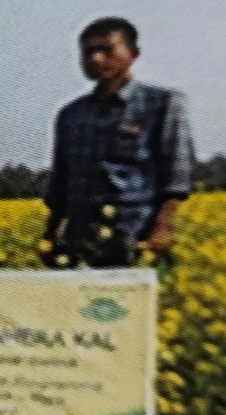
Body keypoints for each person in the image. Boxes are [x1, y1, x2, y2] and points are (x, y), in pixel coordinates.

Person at [41, 17, 195, 268]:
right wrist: (50, 234)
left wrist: (163, 228)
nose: (96, 59)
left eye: (106, 50)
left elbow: (177, 174)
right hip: (79, 239)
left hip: (136, 236)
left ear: (134, 53)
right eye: (88, 52)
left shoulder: (163, 103)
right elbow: (60, 182)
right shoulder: (70, 114)